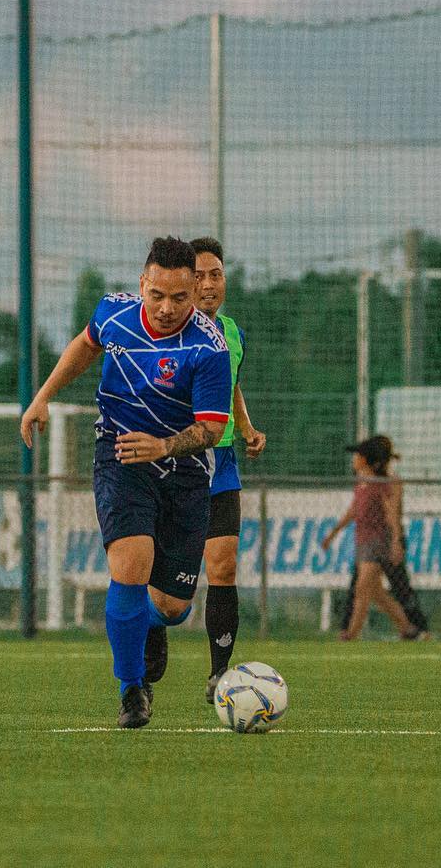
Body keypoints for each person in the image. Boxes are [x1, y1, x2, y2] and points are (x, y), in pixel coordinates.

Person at [21, 236, 231, 729]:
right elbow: (85, 344)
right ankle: (132, 690)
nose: (166, 307)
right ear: (143, 283)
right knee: (130, 566)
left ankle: (146, 626)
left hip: (184, 472)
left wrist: (162, 446)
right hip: (120, 456)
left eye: (180, 298)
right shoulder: (115, 312)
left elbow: (213, 429)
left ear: (194, 291)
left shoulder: (208, 348)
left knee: (174, 607)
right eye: (157, 294)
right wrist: (42, 396)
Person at [178, 237, 266, 703]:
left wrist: (248, 428)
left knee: (224, 565)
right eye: (199, 275)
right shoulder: (169, 334)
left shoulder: (232, 333)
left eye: (216, 274)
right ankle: (150, 644)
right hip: (177, 460)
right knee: (167, 593)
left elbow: (230, 386)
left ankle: (219, 673)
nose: (208, 284)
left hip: (223, 459)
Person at [321, 435, 418, 641]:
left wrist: (396, 541)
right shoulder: (362, 483)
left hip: (378, 541)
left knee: (362, 587)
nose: (354, 460)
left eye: (357, 456)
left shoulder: (380, 483)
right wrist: (333, 533)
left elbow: (391, 514)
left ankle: (351, 633)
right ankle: (407, 627)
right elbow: (353, 510)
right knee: (375, 592)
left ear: (365, 459)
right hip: (363, 541)